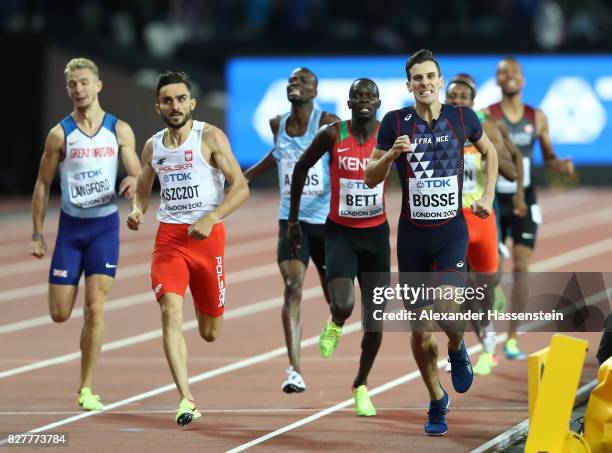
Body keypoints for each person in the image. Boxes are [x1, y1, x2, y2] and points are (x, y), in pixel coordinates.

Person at [365, 49, 498, 436]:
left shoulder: (462, 118)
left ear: (440, 81)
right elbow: (371, 177)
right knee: (420, 331)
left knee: (447, 311)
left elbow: (490, 152)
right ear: (409, 85)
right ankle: (437, 399)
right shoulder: (394, 123)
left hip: (451, 231)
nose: (424, 83)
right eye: (416, 78)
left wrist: (487, 196)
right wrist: (391, 154)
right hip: (412, 238)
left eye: (430, 77)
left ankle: (457, 347)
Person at [126, 71, 249, 426]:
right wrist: (137, 210)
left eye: (181, 99)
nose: (175, 106)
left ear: (192, 103)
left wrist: (212, 218)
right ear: (158, 106)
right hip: (169, 240)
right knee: (170, 313)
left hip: (207, 240)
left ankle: (209, 310)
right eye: (168, 100)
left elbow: (240, 187)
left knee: (210, 332)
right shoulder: (153, 146)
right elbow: (143, 188)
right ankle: (186, 398)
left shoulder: (209, 137)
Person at [30, 57, 141, 411]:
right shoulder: (60, 134)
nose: (77, 89)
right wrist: (37, 233)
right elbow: (42, 185)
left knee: (95, 309)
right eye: (71, 84)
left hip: (104, 229)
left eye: (83, 82)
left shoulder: (119, 129)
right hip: (70, 231)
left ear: (98, 85)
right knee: (60, 313)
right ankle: (85, 383)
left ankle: (86, 388)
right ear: (67, 90)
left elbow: (138, 170)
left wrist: (135, 181)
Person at [287, 78, 389, 416]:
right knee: (343, 304)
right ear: (348, 103)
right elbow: (300, 168)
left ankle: (361, 385)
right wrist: (293, 220)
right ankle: (335, 322)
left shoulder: (387, 137)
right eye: (357, 95)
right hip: (341, 235)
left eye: (369, 96)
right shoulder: (333, 134)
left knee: (375, 323)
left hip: (376, 237)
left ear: (378, 102)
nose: (363, 100)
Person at [244, 67, 338, 393]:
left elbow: (339, 161)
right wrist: (249, 175)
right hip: (291, 219)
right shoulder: (277, 124)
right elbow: (280, 154)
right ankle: (294, 370)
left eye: (301, 82)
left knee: (336, 298)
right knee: (293, 285)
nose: (294, 85)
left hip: (325, 222)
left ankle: (335, 322)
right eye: (290, 82)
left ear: (315, 89)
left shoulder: (327, 123)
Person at [487, 56, 574, 359]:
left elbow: (548, 154)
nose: (509, 76)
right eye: (503, 73)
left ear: (522, 80)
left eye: (514, 72)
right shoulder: (487, 116)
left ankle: (511, 339)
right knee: (491, 272)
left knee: (522, 267)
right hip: (494, 200)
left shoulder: (536, 117)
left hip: (526, 199)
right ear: (498, 81)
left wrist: (558, 164)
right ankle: (487, 331)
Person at [445, 75, 518, 376]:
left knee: (482, 289)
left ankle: (488, 341)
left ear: (473, 103)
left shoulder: (484, 133)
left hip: (481, 220)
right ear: (445, 101)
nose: (459, 101)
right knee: (452, 292)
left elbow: (511, 172)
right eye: (453, 97)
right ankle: (463, 347)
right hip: (449, 221)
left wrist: (496, 155)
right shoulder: (437, 134)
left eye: (464, 97)